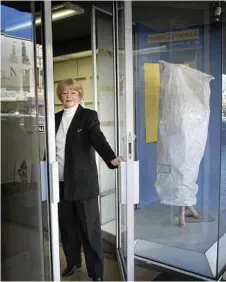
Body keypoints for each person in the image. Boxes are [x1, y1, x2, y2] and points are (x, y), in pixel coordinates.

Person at [55, 78, 122, 281]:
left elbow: (97, 137)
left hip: (83, 183)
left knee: (90, 230)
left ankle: (96, 273)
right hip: (59, 181)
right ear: (60, 96)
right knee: (67, 228)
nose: (68, 96)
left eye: (73, 93)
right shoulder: (54, 117)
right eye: (65, 93)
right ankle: (73, 262)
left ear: (80, 95)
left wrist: (111, 157)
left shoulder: (88, 116)